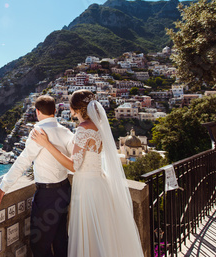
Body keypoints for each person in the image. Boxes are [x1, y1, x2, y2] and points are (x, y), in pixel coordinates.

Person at [30, 90, 144, 257]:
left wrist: (47, 145)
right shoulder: (98, 127)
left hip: (87, 188)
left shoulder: (83, 129)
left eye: (70, 104)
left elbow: (74, 166)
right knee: (102, 234)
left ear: (75, 108)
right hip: (100, 183)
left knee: (89, 233)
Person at [0, 95, 74, 257]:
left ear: (37, 112)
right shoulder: (66, 131)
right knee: (60, 239)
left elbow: (23, 161)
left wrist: (3, 187)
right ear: (55, 111)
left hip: (47, 194)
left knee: (39, 245)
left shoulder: (38, 132)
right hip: (64, 190)